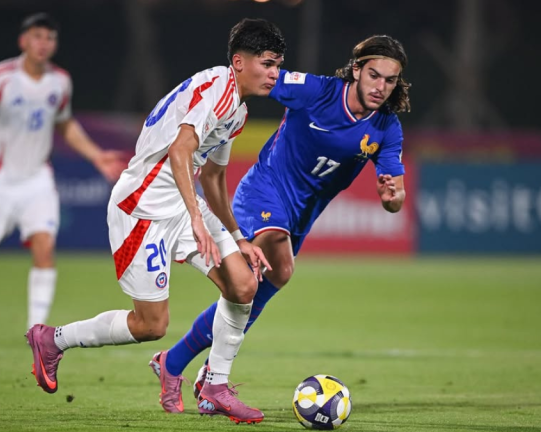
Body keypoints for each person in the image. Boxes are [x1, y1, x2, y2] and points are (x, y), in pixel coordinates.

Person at [25, 18, 286, 425]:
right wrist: (199, 223)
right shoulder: (218, 89)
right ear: (239, 61)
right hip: (141, 210)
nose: (275, 73)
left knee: (243, 283)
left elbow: (214, 177)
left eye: (278, 65)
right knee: (151, 325)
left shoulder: (237, 110)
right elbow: (182, 151)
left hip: (182, 205)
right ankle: (53, 339)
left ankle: (216, 386)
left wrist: (237, 235)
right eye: (267, 63)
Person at [150, 34, 411, 409]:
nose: (381, 87)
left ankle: (176, 363)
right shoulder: (317, 91)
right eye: (374, 75)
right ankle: (212, 377)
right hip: (264, 191)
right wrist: (212, 105)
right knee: (272, 268)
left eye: (390, 80)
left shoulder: (387, 128)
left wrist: (393, 197)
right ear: (356, 70)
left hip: (302, 215)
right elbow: (261, 80)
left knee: (256, 288)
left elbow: (394, 198)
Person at [0, 13, 125, 348]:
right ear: (24, 41)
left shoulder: (60, 81)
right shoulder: (1, 77)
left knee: (44, 248)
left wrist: (95, 155)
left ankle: (37, 331)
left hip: (37, 180)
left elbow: (65, 124)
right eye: (37, 36)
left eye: (49, 38)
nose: (43, 43)